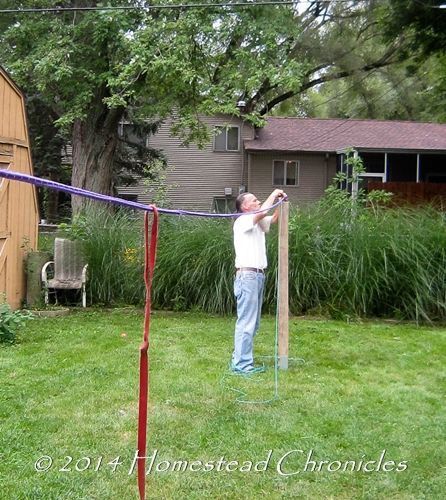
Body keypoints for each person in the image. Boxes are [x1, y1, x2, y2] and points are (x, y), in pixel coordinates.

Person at [231, 189, 286, 374]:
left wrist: (280, 202)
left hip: (257, 276)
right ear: (245, 206)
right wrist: (274, 192)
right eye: (254, 200)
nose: (258, 201)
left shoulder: (256, 221)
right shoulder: (243, 220)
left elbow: (272, 218)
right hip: (247, 277)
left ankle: (240, 359)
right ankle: (242, 366)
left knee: (253, 324)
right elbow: (262, 212)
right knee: (246, 322)